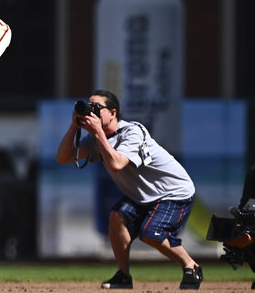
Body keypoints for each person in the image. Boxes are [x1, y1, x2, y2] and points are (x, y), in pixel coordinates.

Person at [55, 90, 203, 290]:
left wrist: (98, 133)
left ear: (113, 113)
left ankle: (191, 266)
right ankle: (123, 276)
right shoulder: (96, 140)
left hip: (173, 193)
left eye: (97, 108)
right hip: (144, 197)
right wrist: (75, 126)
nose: (92, 112)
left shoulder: (132, 132)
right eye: (89, 107)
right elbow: (63, 157)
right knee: (117, 216)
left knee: (151, 232)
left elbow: (117, 164)